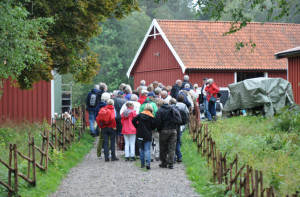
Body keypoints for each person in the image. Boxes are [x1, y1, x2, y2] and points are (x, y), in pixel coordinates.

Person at [155, 99, 178, 169]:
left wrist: (159, 129)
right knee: (172, 147)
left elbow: (158, 122)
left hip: (164, 130)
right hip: (173, 130)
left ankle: (164, 162)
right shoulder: (172, 109)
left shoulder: (160, 111)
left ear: (159, 105)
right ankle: (171, 163)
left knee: (163, 147)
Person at [132, 103, 156, 170]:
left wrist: (137, 127)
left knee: (142, 149)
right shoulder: (152, 117)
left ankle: (142, 164)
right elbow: (154, 126)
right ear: (151, 109)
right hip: (147, 134)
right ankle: (148, 163)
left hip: (140, 134)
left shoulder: (140, 115)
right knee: (147, 149)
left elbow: (133, 120)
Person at [139, 92, 159, 161]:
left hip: (145, 127)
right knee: (157, 140)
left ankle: (149, 156)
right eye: (153, 97)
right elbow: (156, 115)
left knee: (148, 142)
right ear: (150, 97)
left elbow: (139, 115)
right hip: (154, 126)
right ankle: (157, 155)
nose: (154, 98)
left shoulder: (142, 105)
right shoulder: (154, 105)